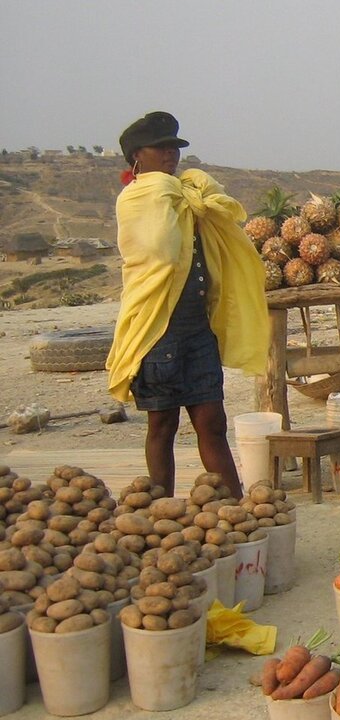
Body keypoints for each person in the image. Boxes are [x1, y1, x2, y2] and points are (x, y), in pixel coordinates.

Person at [105, 112, 268, 497]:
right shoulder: (140, 198)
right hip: (157, 329)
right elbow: (161, 252)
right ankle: (161, 506)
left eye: (173, 148)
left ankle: (236, 506)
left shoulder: (184, 197)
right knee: (162, 424)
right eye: (160, 148)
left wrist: (189, 200)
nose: (170, 155)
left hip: (197, 328)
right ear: (135, 157)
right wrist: (183, 199)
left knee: (212, 421)